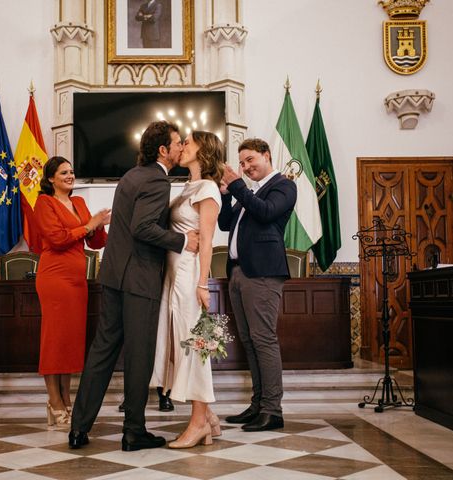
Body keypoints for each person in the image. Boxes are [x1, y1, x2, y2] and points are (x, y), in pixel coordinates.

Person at [69, 121, 199, 451]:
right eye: (176, 142)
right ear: (163, 151)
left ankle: (78, 428)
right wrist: (183, 240)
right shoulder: (157, 179)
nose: (181, 146)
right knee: (139, 354)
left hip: (113, 276)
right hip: (139, 278)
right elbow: (143, 228)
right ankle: (134, 431)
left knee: (102, 352)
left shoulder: (131, 175)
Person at [150, 131, 225, 448]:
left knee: (195, 347)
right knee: (181, 345)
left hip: (189, 274)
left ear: (202, 151)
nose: (182, 148)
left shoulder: (208, 188)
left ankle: (197, 425)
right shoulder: (187, 187)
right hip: (172, 274)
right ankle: (208, 419)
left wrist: (202, 283)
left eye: (188, 144)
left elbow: (207, 240)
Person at [218, 138, 297, 432]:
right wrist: (226, 194)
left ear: (267, 155)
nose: (247, 166)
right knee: (249, 341)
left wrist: (237, 184)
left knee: (263, 339)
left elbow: (265, 213)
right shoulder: (249, 193)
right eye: (242, 163)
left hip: (263, 273)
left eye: (251, 159)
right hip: (238, 273)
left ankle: (273, 410)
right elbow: (226, 224)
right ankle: (257, 405)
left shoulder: (284, 186)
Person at [34, 156, 111, 427]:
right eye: (64, 172)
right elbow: (57, 239)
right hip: (54, 277)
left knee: (69, 340)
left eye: (71, 171)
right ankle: (54, 401)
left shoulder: (78, 202)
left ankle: (66, 400)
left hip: (78, 278)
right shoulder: (44, 202)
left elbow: (96, 241)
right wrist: (90, 225)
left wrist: (100, 224)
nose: (70, 176)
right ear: (51, 178)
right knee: (54, 339)